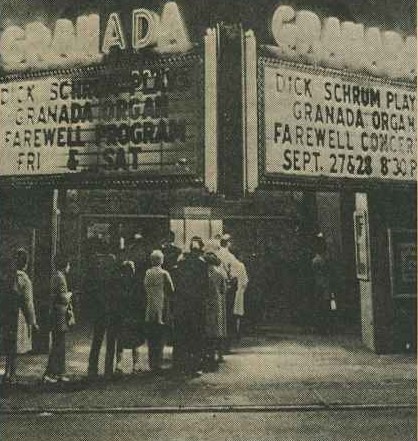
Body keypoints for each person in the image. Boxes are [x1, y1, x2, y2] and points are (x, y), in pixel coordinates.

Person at [1, 250, 39, 385]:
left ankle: (6, 372)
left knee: (9, 344)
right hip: (19, 315)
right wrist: (33, 321)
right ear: (26, 264)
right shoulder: (25, 279)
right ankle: (12, 374)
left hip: (7, 314)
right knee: (15, 347)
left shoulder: (7, 276)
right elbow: (28, 302)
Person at [173, 236, 208, 377]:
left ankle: (181, 364)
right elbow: (205, 285)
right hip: (197, 304)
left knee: (183, 333)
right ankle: (195, 365)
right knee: (197, 334)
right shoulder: (201, 264)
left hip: (183, 304)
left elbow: (178, 284)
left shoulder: (182, 263)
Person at [86, 247, 119, 380]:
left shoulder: (97, 278)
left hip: (100, 312)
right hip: (110, 312)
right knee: (110, 342)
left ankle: (92, 369)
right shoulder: (114, 278)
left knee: (97, 341)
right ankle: (108, 370)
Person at [43, 254, 72, 383]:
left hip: (55, 313)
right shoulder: (61, 278)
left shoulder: (55, 276)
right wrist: (69, 295)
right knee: (59, 344)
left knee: (58, 343)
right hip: (60, 313)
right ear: (65, 265)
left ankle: (57, 372)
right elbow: (63, 297)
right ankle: (53, 373)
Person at [144, 250, 174, 373]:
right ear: (161, 260)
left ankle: (151, 362)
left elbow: (144, 287)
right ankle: (158, 362)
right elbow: (171, 289)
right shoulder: (164, 273)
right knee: (161, 335)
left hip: (150, 306)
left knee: (151, 335)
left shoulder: (148, 273)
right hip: (161, 306)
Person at [115, 260, 146, 374]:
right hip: (134, 314)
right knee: (135, 340)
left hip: (122, 315)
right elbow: (141, 299)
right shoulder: (137, 283)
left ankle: (118, 364)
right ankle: (135, 365)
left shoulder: (118, 282)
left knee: (120, 340)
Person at [202, 251, 227, 372]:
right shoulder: (220, 273)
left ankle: (208, 354)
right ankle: (220, 354)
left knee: (207, 328)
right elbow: (223, 289)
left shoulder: (203, 274)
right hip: (217, 303)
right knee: (218, 329)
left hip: (206, 303)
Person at [216, 234, 240, 348]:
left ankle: (217, 342)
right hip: (226, 288)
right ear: (229, 243)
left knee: (217, 315)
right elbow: (234, 275)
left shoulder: (215, 255)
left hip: (214, 289)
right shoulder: (230, 257)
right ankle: (226, 344)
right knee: (228, 316)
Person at [311, 233, 334, 335]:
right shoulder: (325, 259)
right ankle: (325, 327)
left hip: (319, 284)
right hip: (325, 284)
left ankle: (321, 327)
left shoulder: (316, 260)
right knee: (326, 305)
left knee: (321, 306)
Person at [233, 256, 249, 342]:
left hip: (232, 291)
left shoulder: (232, 264)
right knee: (238, 313)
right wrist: (243, 290)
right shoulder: (240, 265)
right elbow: (245, 281)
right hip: (239, 291)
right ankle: (237, 332)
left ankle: (234, 332)